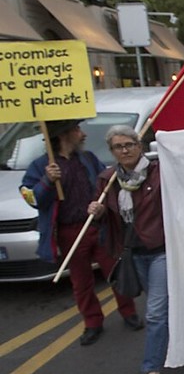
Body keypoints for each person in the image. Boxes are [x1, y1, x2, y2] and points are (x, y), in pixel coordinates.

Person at [20, 119, 141, 346]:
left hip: (98, 226)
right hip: (69, 231)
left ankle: (129, 313)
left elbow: (106, 187)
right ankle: (92, 322)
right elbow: (32, 199)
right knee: (81, 281)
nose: (82, 134)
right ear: (63, 135)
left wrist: (103, 207)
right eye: (77, 130)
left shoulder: (87, 159)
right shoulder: (40, 166)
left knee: (116, 272)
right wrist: (48, 180)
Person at [87, 126, 169, 374]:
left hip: (161, 250)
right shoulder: (107, 179)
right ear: (112, 152)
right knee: (161, 307)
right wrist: (97, 212)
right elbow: (108, 219)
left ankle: (152, 368)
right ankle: (174, 342)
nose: (124, 150)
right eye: (118, 147)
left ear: (139, 145)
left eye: (129, 145)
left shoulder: (160, 172)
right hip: (132, 253)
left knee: (155, 311)